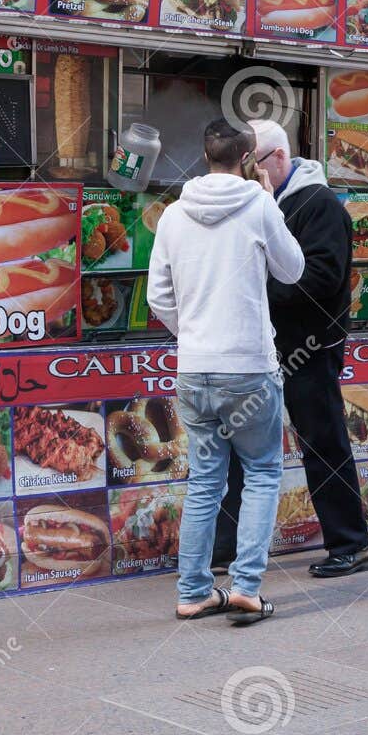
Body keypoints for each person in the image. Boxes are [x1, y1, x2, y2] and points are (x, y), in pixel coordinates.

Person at [147, 119, 305, 624]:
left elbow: (158, 297)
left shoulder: (172, 215)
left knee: (205, 481)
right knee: (260, 473)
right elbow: (294, 269)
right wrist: (267, 202)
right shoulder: (259, 205)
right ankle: (245, 588)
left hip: (195, 368)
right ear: (247, 160)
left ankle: (193, 591)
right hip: (249, 368)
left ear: (205, 156)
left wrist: (189, 332)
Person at [213, 120, 368, 579]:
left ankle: (350, 544)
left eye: (253, 165)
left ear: (278, 159)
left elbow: (322, 278)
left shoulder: (319, 204)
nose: (247, 176)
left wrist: (257, 288)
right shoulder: (265, 201)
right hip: (262, 348)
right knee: (242, 449)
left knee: (323, 446)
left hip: (309, 348)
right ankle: (225, 547)